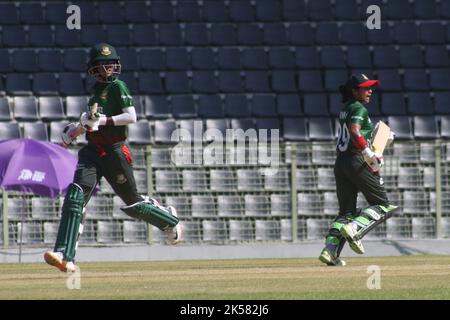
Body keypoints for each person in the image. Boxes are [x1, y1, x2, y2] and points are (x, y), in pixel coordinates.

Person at [44, 43, 182, 272]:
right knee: (75, 196)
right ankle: (64, 255)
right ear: (93, 70)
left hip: (114, 152)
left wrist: (103, 120)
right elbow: (91, 124)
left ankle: (168, 219)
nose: (107, 69)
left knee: (134, 204)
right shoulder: (96, 93)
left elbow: (131, 117)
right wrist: (78, 128)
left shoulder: (119, 86)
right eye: (102, 66)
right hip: (92, 152)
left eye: (110, 64)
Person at [319, 74, 396, 266]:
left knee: (346, 212)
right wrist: (369, 152)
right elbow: (354, 131)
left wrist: (378, 139)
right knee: (383, 206)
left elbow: (356, 131)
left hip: (341, 163)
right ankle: (355, 230)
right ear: (355, 91)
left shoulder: (346, 109)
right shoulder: (359, 108)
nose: (370, 91)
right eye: (365, 88)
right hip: (356, 161)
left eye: (371, 88)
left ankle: (330, 252)